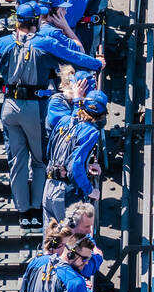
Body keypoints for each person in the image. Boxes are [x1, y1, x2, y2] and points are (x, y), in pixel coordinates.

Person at [0, 2, 102, 227]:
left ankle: (24, 213)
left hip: (10, 106)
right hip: (35, 107)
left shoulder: (3, 43)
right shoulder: (43, 41)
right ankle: (38, 208)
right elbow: (75, 57)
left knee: (16, 159)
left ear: (17, 21)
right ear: (35, 21)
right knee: (41, 160)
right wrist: (96, 63)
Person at [42, 90, 108, 224]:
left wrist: (86, 165)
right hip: (65, 192)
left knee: (51, 240)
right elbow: (74, 166)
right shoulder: (91, 132)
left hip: (49, 187)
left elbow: (49, 151)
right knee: (71, 239)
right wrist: (90, 190)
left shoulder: (64, 120)